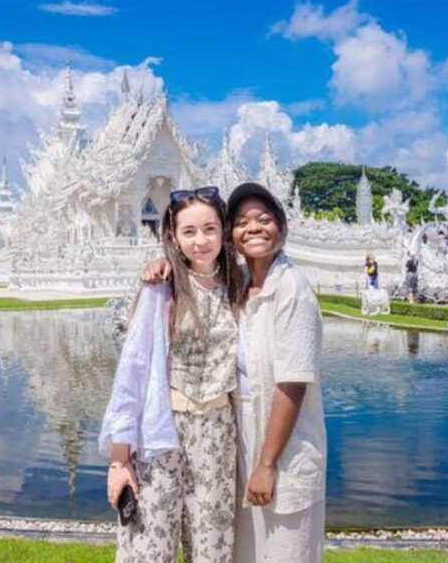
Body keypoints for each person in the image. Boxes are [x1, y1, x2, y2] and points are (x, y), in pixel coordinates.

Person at [143, 183, 327, 563]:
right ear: (232, 236)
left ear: (283, 227)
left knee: (284, 550)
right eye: (242, 222)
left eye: (264, 219)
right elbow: (195, 268)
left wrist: (267, 464)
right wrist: (164, 264)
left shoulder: (292, 288)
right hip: (237, 441)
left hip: (281, 450)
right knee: (243, 551)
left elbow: (292, 384)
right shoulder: (237, 282)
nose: (254, 228)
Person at [100, 186, 242, 563]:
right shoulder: (162, 289)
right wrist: (119, 460)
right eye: (189, 231)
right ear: (174, 238)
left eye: (210, 229)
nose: (201, 240)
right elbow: (131, 374)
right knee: (150, 545)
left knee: (212, 546)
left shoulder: (239, 287)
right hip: (161, 434)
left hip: (217, 431)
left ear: (224, 231)